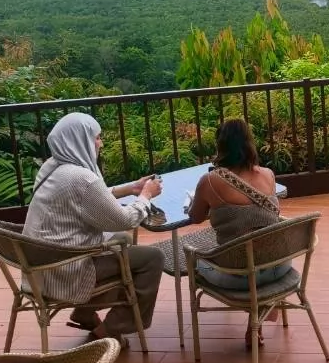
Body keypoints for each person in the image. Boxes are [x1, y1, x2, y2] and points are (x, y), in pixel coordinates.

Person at [22, 112, 164, 347]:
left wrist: (131, 188)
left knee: (122, 241)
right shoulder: (81, 178)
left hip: (41, 269)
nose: (101, 143)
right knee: (152, 258)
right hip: (66, 274)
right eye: (97, 137)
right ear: (80, 140)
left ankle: (84, 312)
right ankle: (110, 329)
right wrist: (146, 196)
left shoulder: (53, 167)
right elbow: (125, 219)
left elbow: (88, 198)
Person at [187, 120, 294, 337]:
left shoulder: (209, 181)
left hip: (239, 277)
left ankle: (254, 316)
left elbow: (195, 217)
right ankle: (256, 323)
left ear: (220, 145)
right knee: (257, 246)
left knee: (195, 261)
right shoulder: (268, 174)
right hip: (279, 267)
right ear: (249, 143)